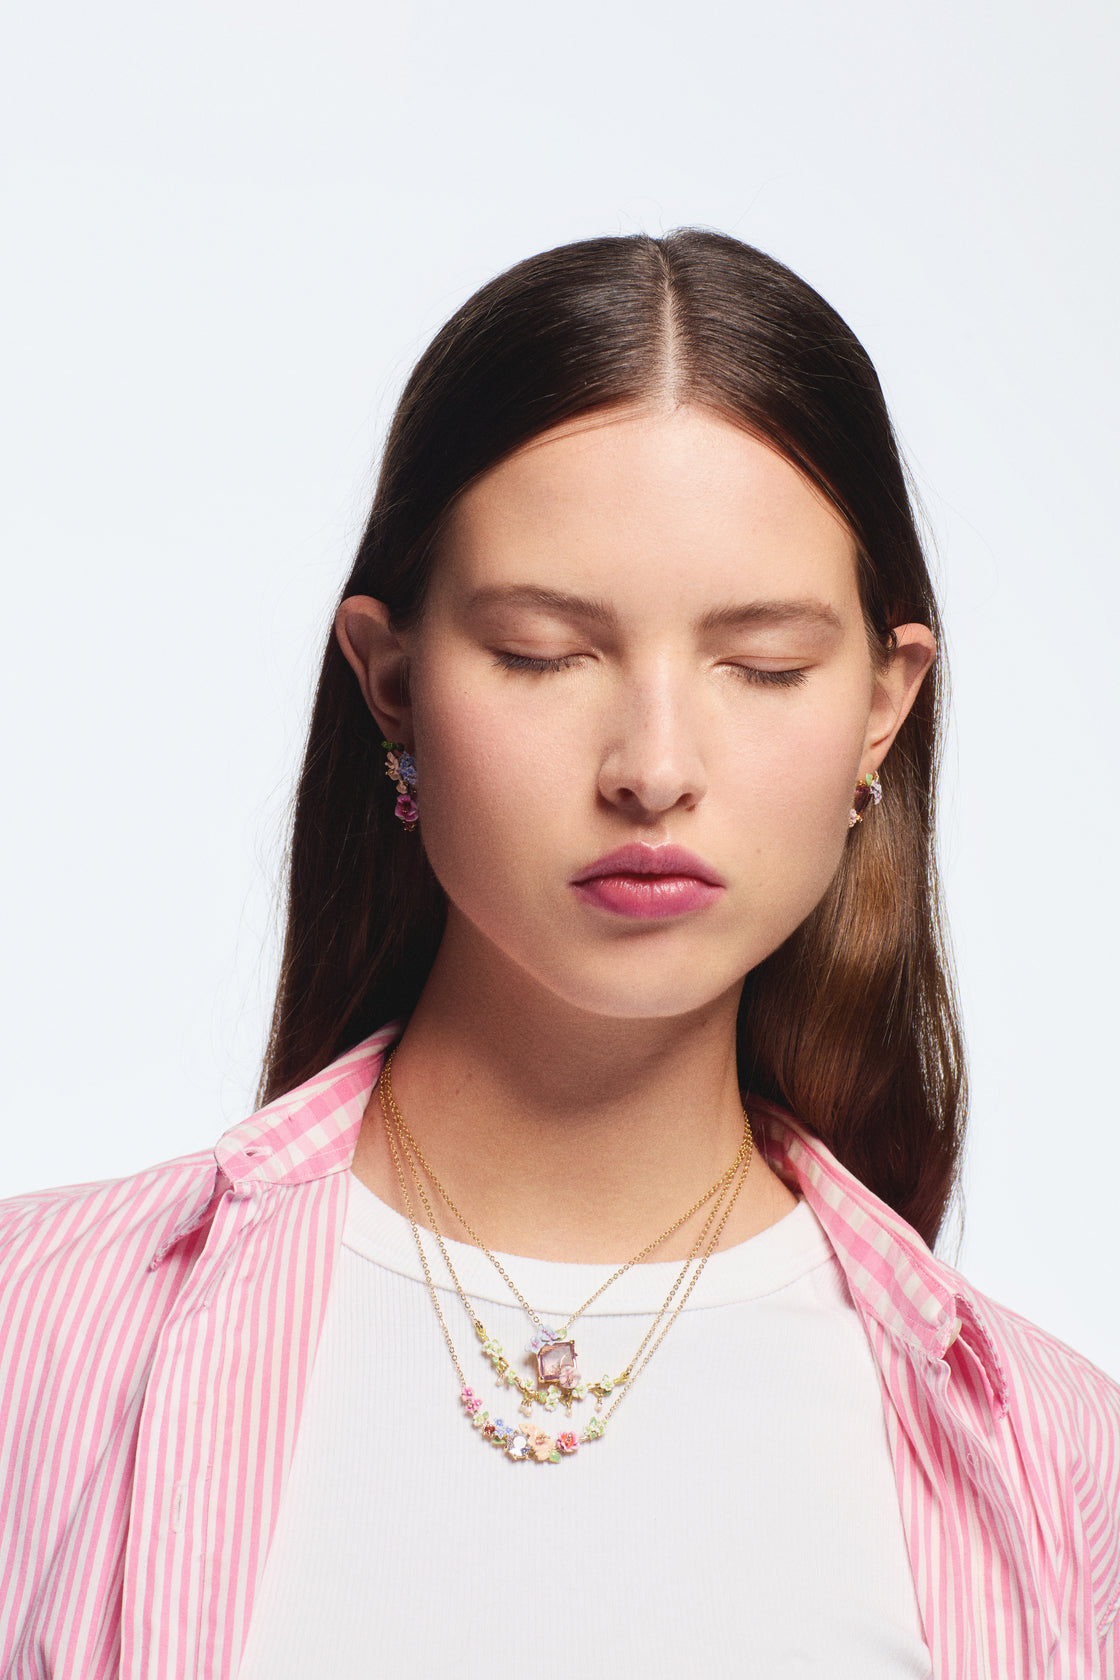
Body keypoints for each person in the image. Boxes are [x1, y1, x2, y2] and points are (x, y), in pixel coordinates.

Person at [2, 230, 1117, 1680]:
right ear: (391, 684)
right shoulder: (39, 1335)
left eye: (764, 666)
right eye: (541, 651)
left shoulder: (1050, 1461)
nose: (654, 767)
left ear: (882, 710)